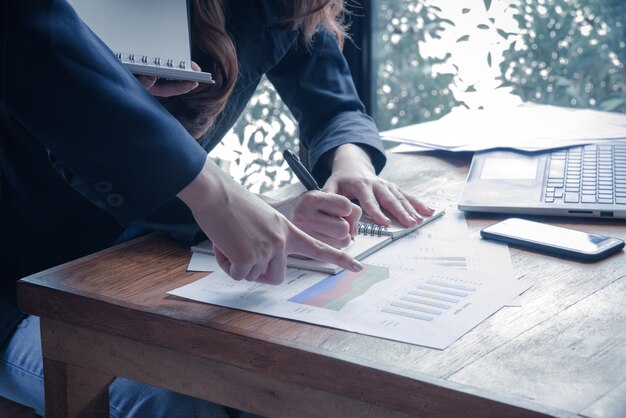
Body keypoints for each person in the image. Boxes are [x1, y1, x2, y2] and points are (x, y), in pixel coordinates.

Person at [0, 0, 432, 416]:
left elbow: (334, 101)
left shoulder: (289, 5)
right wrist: (243, 205)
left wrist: (351, 161)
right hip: (20, 282)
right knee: (177, 402)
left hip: (143, 262)